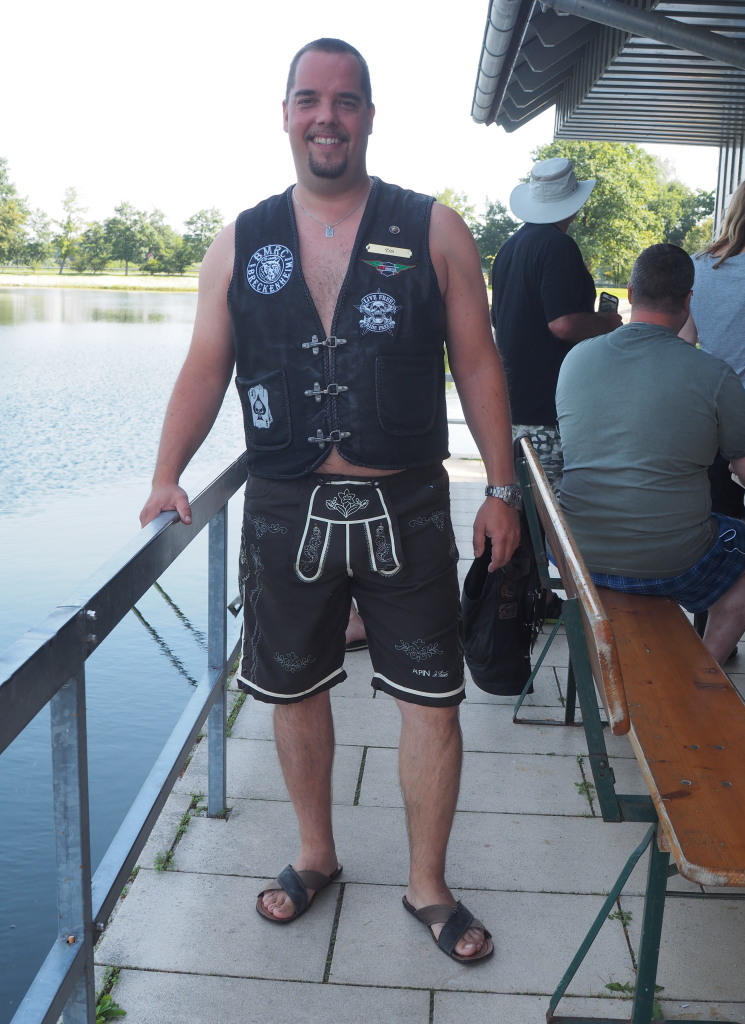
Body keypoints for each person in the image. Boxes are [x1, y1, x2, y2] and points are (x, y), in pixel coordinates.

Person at [140, 38, 520, 963]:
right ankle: (316, 853)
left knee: (433, 701)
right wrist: (165, 474)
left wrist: (502, 486)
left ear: (370, 117)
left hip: (409, 507)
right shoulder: (240, 238)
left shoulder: (433, 228)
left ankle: (428, 885)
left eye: (346, 101)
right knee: (292, 691)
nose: (327, 116)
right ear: (285, 114)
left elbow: (478, 362)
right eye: (309, 99)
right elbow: (206, 365)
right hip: (284, 506)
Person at [556, 243, 745, 666]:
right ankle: (705, 669)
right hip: (672, 562)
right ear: (689, 301)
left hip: (575, 552)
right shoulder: (713, 373)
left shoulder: (577, 358)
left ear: (631, 293)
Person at [491, 156, 622, 493]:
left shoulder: (509, 247)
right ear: (573, 206)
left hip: (510, 407)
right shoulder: (558, 246)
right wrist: (607, 322)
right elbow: (562, 324)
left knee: (519, 507)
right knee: (553, 510)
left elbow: (497, 319)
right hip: (547, 410)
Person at [680, 177, 745, 647]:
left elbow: (684, 342)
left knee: (719, 530)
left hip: (710, 416)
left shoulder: (698, 266)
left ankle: (712, 640)